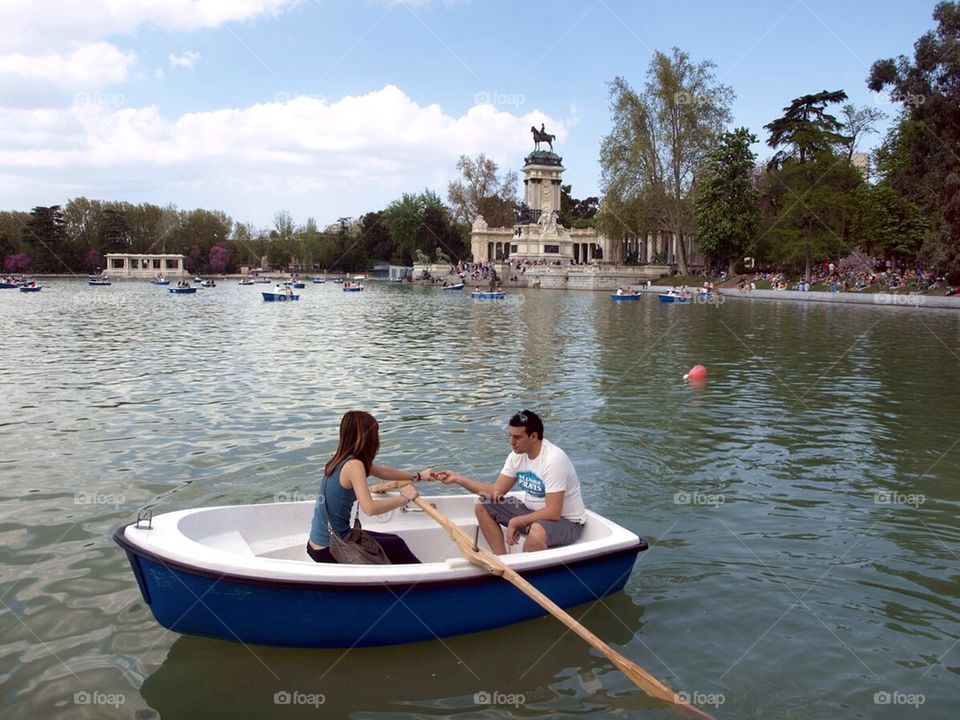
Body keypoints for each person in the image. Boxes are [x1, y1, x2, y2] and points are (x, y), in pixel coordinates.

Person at [437, 410, 586, 554]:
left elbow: (553, 512)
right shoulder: (517, 456)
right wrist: (458, 479)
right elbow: (495, 492)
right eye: (510, 436)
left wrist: (516, 521)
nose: (512, 442)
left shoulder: (553, 460)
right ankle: (503, 561)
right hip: (533, 513)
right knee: (483, 503)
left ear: (533, 436)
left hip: (567, 522)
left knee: (537, 531)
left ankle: (523, 572)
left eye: (517, 437)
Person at [307, 411, 432, 564]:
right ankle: (420, 582)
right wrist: (405, 498)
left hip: (320, 543)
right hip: (331, 548)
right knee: (396, 546)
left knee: (394, 541)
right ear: (366, 438)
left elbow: (384, 471)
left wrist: (418, 476)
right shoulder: (355, 465)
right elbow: (370, 508)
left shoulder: (340, 459)